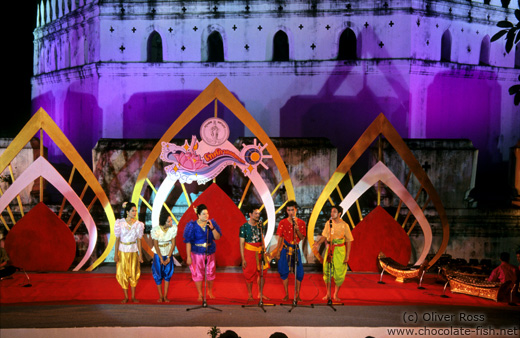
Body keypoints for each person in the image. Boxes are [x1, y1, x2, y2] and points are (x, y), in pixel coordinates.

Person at [312, 206, 354, 301]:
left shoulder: (344, 225)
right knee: (326, 271)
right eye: (331, 211)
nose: (332, 213)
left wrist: (347, 256)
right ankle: (328, 294)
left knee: (339, 273)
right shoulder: (328, 223)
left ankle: (335, 295)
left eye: (334, 211)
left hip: (339, 250)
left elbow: (349, 241)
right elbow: (324, 236)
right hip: (330, 250)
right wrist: (318, 243)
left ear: (339, 213)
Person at [183, 204, 222, 301]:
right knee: (197, 274)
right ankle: (200, 294)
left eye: (207, 213)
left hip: (209, 252)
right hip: (196, 253)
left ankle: (209, 291)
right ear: (198, 215)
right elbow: (188, 242)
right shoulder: (192, 226)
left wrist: (212, 228)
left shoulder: (211, 223)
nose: (206, 216)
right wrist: (188, 257)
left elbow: (217, 237)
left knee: (210, 272)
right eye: (204, 214)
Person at [274, 200, 306, 301]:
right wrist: (278, 251)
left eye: (292, 210)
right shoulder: (282, 222)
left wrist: (296, 229)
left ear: (296, 210)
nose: (291, 212)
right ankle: (286, 294)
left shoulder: (301, 223)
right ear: (286, 211)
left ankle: (298, 295)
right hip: (285, 249)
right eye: (289, 210)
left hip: (295, 249)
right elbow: (280, 238)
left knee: (299, 272)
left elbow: (301, 237)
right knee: (284, 271)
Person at [114, 202, 144, 303]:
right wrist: (115, 254)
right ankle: (126, 296)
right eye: (132, 211)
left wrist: (140, 254)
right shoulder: (120, 223)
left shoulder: (138, 224)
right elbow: (117, 239)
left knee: (134, 273)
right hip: (122, 251)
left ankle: (133, 296)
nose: (135, 212)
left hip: (133, 251)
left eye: (135, 211)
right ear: (127, 212)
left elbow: (139, 240)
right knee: (123, 273)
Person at [239, 206, 269, 301]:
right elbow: (241, 243)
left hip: (260, 251)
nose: (257, 215)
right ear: (250, 215)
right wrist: (243, 258)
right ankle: (250, 295)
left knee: (263, 273)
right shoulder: (244, 227)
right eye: (256, 213)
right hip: (249, 252)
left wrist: (264, 249)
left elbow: (262, 237)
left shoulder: (260, 225)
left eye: (259, 214)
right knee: (249, 273)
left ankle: (260, 294)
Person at [151, 209, 177, 303]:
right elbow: (155, 245)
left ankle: (165, 296)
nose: (171, 222)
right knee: (158, 274)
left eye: (171, 220)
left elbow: (173, 244)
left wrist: (169, 257)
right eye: (169, 221)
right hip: (158, 254)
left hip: (168, 252)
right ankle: (160, 296)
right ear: (164, 222)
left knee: (168, 274)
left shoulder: (173, 229)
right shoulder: (156, 230)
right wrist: (161, 258)